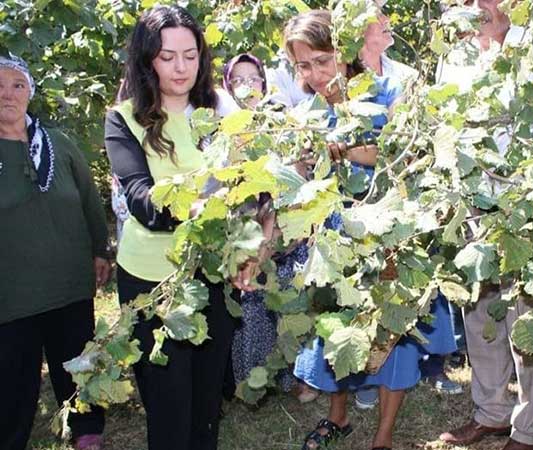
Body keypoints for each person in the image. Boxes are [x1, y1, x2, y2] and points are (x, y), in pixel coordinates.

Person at [282, 10, 456, 450]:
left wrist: (347, 151)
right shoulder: (308, 110)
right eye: (304, 66)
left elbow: (406, 154)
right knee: (336, 327)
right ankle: (337, 417)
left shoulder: (388, 90)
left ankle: (383, 433)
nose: (315, 73)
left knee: (391, 331)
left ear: (343, 52)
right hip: (337, 234)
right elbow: (307, 178)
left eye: (322, 61)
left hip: (390, 233)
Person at [104, 5, 241, 449]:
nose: (181, 67)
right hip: (151, 283)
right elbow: (142, 200)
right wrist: (205, 205)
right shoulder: (123, 119)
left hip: (212, 275)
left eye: (190, 55)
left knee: (205, 403)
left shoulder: (220, 111)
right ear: (146, 60)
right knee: (166, 402)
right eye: (167, 57)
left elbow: (252, 182)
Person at [438, 1, 533, 449]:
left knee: (530, 320)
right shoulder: (453, 54)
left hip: (527, 203)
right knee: (480, 313)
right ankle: (490, 413)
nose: (478, 8)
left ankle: (528, 430)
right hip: (473, 202)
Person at [0, 54, 110, 450]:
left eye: (17, 85)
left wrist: (101, 249)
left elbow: (89, 201)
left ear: (30, 92)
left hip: (69, 284)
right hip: (12, 296)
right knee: (13, 377)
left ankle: (88, 432)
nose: (7, 94)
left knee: (78, 363)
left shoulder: (58, 144)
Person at [221, 52, 320, 403]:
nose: (247, 86)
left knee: (292, 306)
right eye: (239, 80)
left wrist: (271, 233)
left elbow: (297, 178)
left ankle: (299, 377)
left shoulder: (284, 124)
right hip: (246, 234)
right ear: (227, 86)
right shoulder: (223, 131)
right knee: (253, 307)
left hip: (284, 230)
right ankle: (254, 382)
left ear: (264, 84)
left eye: (254, 79)